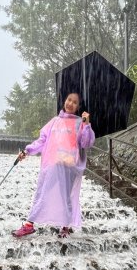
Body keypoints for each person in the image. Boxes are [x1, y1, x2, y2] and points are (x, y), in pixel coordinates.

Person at [12, 92, 95, 238]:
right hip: (53, 164)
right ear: (64, 101)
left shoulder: (80, 123)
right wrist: (27, 151)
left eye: (74, 102)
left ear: (78, 106)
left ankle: (65, 227)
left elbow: (86, 143)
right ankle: (29, 225)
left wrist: (86, 124)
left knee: (66, 196)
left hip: (69, 166)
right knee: (42, 192)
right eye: (69, 100)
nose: (70, 103)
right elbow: (42, 140)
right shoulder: (55, 121)